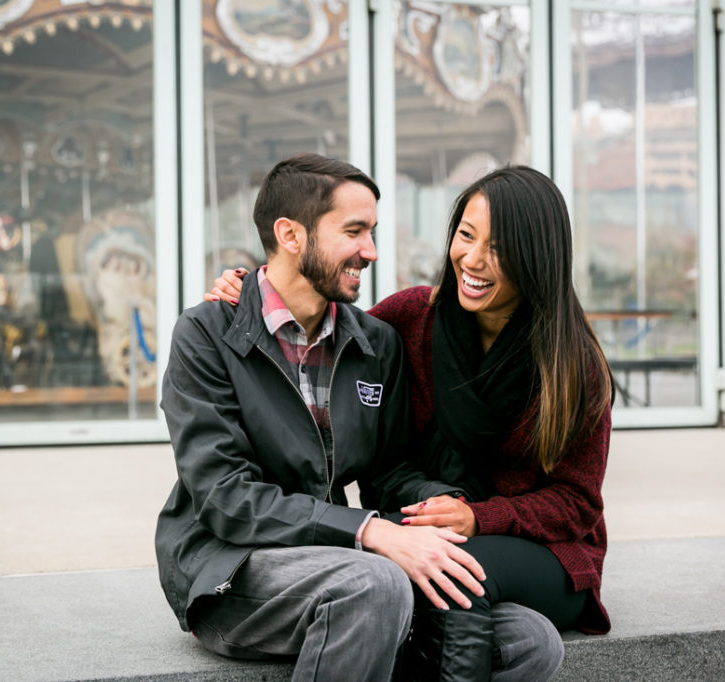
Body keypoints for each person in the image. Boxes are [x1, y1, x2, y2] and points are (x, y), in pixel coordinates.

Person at [157, 154, 564, 682]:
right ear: (291, 234)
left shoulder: (375, 343)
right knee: (374, 585)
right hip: (229, 571)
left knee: (530, 641)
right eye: (354, 231)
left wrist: (439, 508)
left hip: (338, 561)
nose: (370, 252)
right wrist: (369, 531)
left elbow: (389, 472)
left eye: (372, 231)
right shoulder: (207, 336)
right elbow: (225, 498)